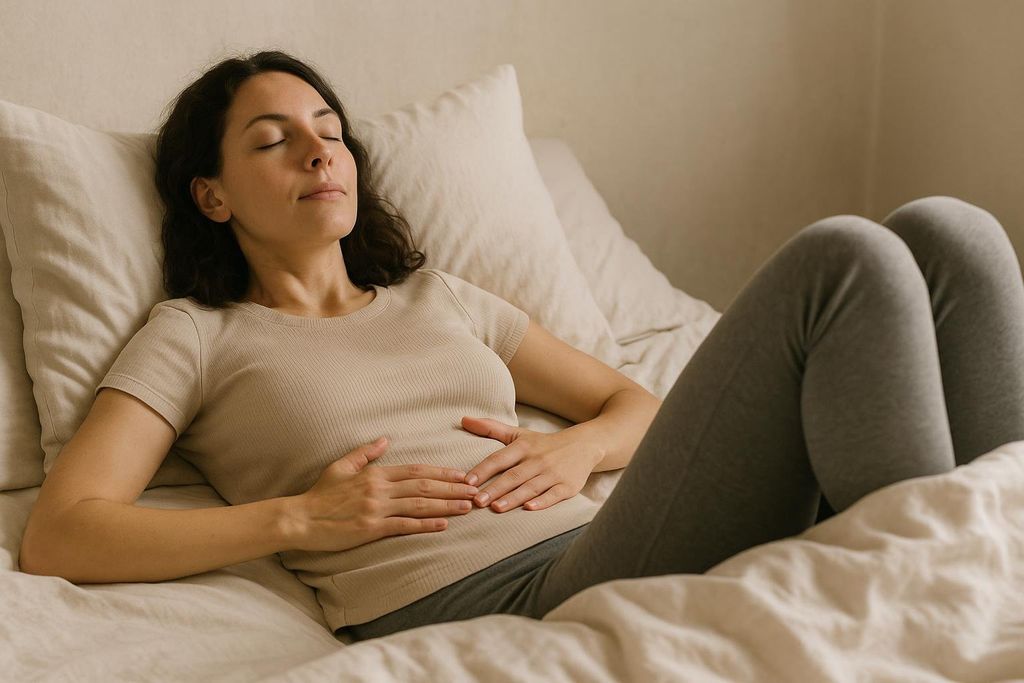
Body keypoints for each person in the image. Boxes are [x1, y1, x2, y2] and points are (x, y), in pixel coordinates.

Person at [21, 50, 1024, 645]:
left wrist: (577, 447)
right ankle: (940, 579)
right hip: (491, 594)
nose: (320, 149)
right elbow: (63, 530)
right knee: (844, 261)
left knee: (950, 234)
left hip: (604, 530)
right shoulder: (196, 333)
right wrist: (297, 516)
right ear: (211, 193)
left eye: (328, 128)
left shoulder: (438, 295)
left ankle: (977, 562)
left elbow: (635, 405)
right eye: (273, 138)